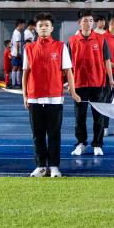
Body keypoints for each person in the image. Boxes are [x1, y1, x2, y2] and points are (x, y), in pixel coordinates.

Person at [23, 12, 76, 177]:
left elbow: (68, 71)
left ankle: (54, 166)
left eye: (47, 25)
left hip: (55, 98)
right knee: (37, 135)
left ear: (52, 28)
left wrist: (73, 91)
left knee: (54, 134)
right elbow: (25, 73)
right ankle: (40, 166)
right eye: (40, 25)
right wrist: (25, 95)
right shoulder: (29, 48)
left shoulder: (60, 47)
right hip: (34, 97)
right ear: (35, 28)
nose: (44, 28)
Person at [67, 11, 112, 156]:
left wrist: (111, 79)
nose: (89, 23)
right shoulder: (72, 41)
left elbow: (107, 60)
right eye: (85, 20)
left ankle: (97, 144)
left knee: (98, 116)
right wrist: (70, 84)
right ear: (79, 23)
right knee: (79, 117)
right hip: (79, 84)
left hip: (98, 83)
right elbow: (67, 66)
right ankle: (81, 143)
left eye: (91, 20)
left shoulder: (101, 39)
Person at [9, 19, 26, 88]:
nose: (23, 26)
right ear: (19, 25)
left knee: (18, 68)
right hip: (16, 53)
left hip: (16, 53)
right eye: (23, 25)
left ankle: (18, 83)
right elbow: (17, 44)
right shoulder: (17, 33)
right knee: (15, 68)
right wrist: (17, 53)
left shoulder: (16, 32)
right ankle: (13, 83)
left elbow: (12, 43)